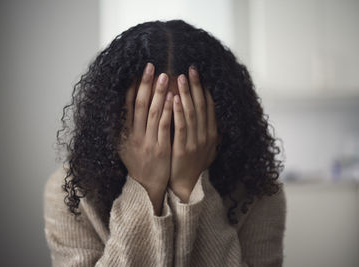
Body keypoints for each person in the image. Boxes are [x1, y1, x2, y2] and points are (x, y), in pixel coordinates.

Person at [44, 19, 286, 266]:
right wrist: (145, 188)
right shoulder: (72, 194)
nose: (164, 136)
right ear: (113, 116)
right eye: (148, 117)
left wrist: (189, 187)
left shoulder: (259, 193)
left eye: (186, 116)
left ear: (220, 116)